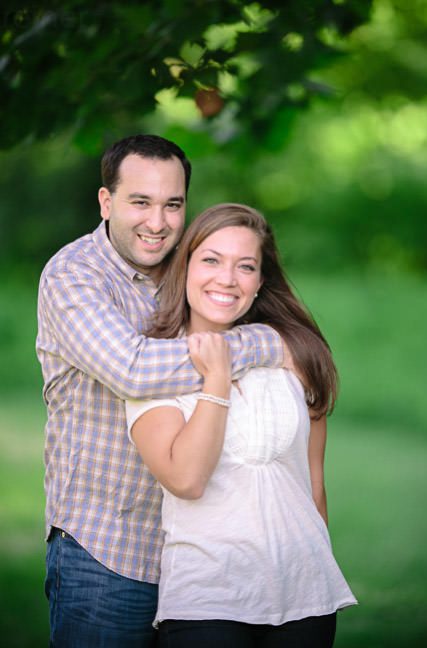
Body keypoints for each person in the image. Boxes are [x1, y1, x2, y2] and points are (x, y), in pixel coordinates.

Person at [37, 135, 287, 646]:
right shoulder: (73, 276)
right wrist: (258, 343)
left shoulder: (192, 266)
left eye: (172, 205)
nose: (157, 222)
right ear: (106, 203)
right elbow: (132, 368)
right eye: (140, 203)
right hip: (107, 549)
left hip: (200, 552)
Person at [123, 203, 356, 647]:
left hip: (305, 592)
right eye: (211, 260)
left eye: (244, 266)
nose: (226, 279)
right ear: (185, 265)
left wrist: (318, 565)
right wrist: (216, 378)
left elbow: (314, 486)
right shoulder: (152, 368)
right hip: (209, 596)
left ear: (260, 281)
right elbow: (187, 479)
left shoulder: (291, 357)